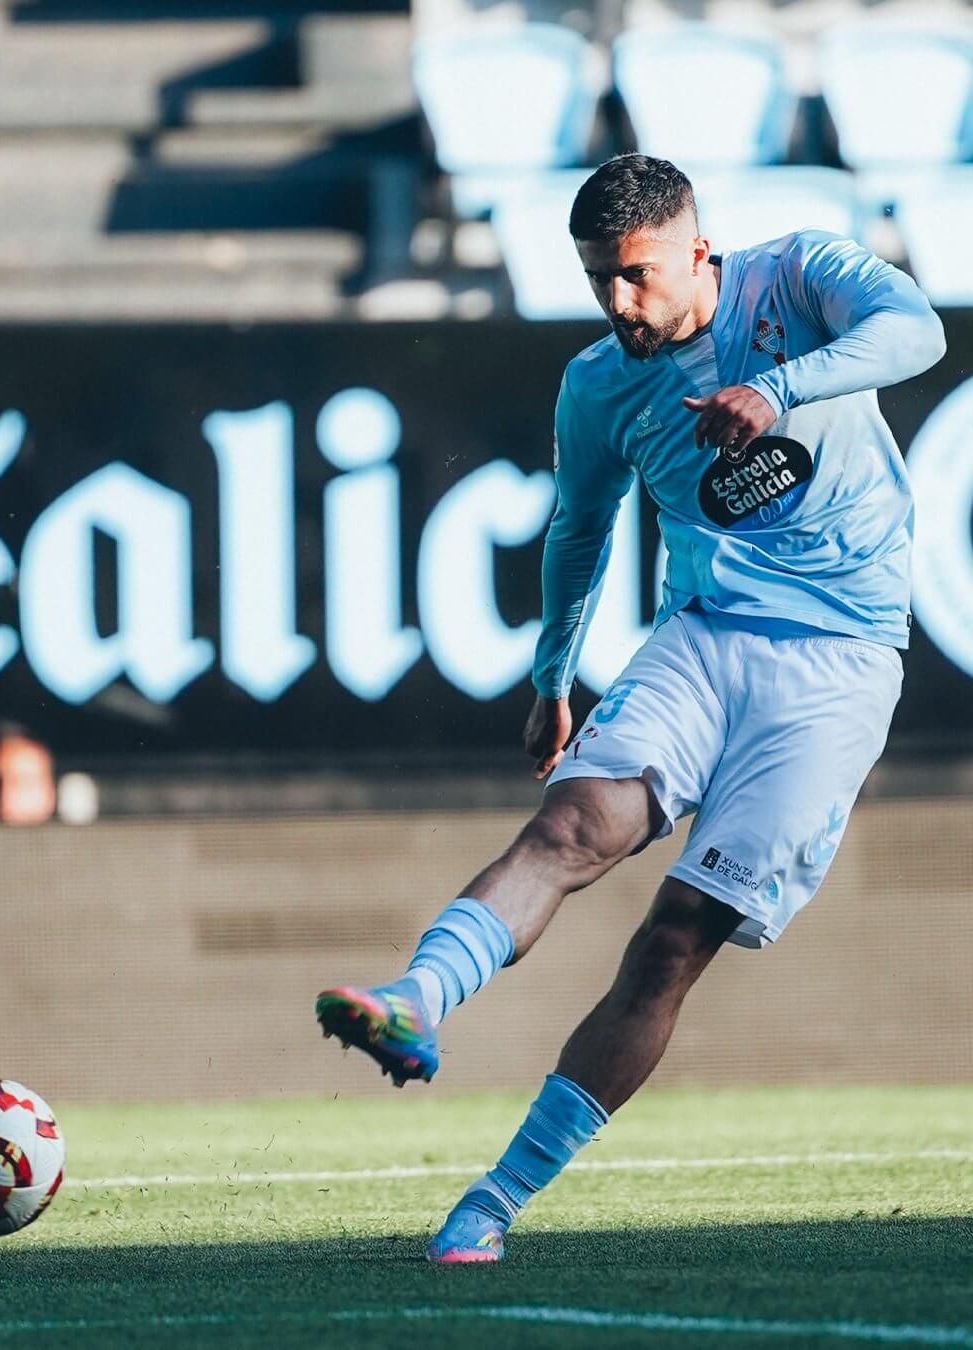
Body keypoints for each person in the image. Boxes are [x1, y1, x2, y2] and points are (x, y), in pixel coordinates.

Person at [315, 154, 946, 1263]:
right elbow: (579, 531)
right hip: (703, 639)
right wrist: (553, 677)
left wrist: (782, 386)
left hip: (840, 665)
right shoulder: (600, 382)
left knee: (672, 943)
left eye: (637, 276)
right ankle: (415, 1000)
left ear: (698, 251)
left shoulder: (797, 281)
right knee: (566, 830)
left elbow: (921, 331)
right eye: (600, 280)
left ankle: (493, 1200)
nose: (619, 303)